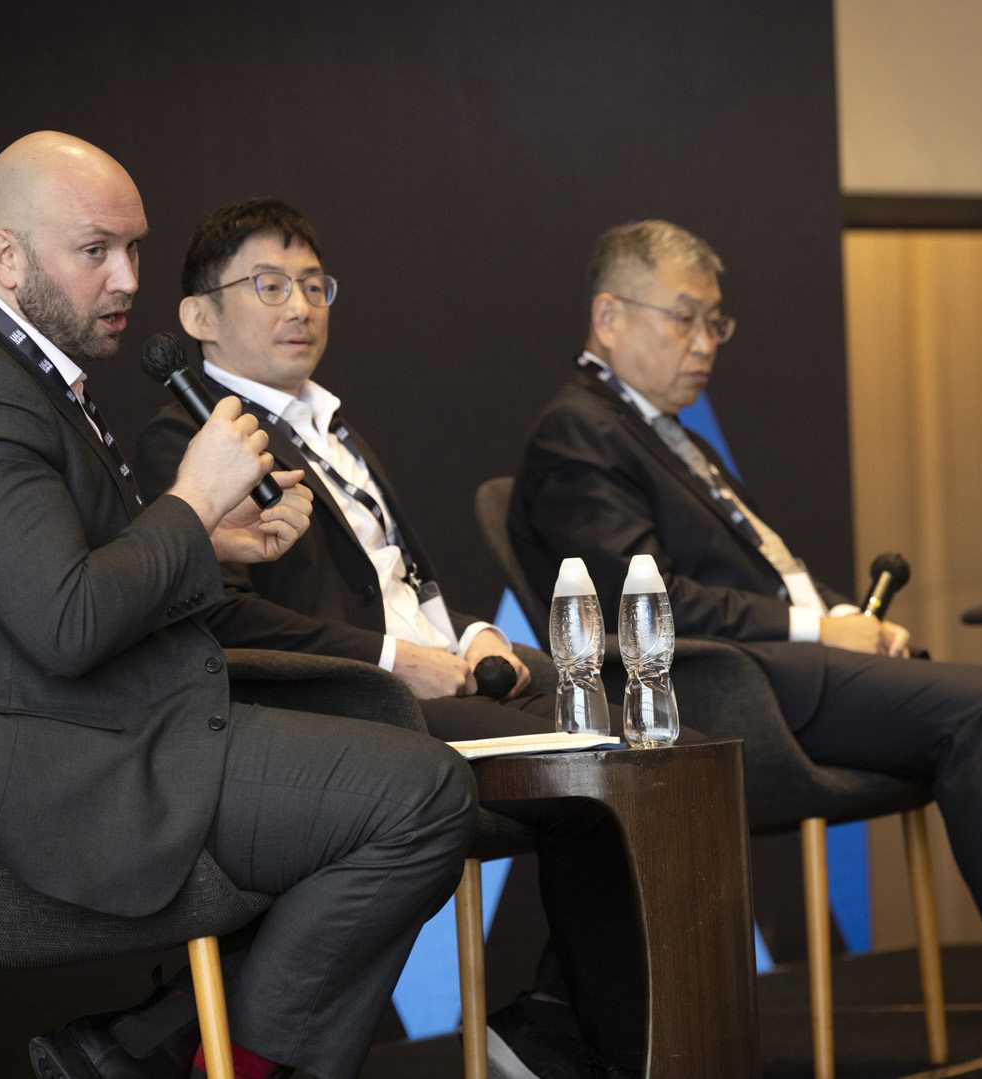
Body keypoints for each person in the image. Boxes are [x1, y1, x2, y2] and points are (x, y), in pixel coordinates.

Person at [509, 220, 982, 1075]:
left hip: (794, 664)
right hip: (725, 690)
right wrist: (818, 627)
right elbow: (638, 597)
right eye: (684, 318)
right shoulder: (579, 430)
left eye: (715, 322)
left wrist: (850, 618)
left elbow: (765, 577)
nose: (705, 343)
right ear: (609, 316)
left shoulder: (659, 429)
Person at [0, 133, 478, 1079]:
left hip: (88, 729)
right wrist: (193, 502)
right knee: (421, 794)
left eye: (134, 247)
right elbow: (69, 622)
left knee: (382, 748)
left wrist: (205, 543)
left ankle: (151, 1050)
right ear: (7, 255)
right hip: (48, 775)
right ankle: (202, 1059)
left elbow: (51, 576)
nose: (127, 277)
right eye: (95, 250)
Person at [134, 198, 654, 1079]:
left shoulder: (334, 427)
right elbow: (222, 620)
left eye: (314, 285)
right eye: (269, 285)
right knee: (593, 773)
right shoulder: (185, 441)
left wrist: (474, 635)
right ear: (198, 316)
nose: (301, 306)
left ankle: (565, 1031)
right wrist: (395, 663)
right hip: (344, 709)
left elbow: (410, 589)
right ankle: (577, 1043)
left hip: (432, 679)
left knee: (636, 748)